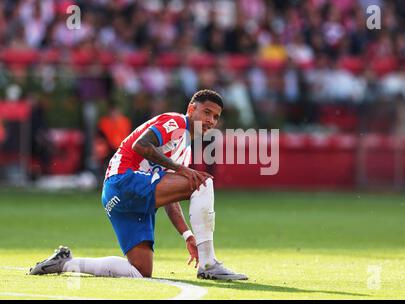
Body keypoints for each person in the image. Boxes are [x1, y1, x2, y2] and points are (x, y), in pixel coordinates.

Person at [28, 89, 248, 281]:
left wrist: (187, 235)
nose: (211, 120)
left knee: (140, 271)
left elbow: (171, 199)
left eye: (216, 117)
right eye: (207, 112)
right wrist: (182, 170)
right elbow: (140, 144)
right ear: (191, 109)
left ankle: (64, 263)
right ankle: (209, 264)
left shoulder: (185, 148)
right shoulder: (177, 122)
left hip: (118, 195)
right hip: (125, 181)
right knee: (203, 182)